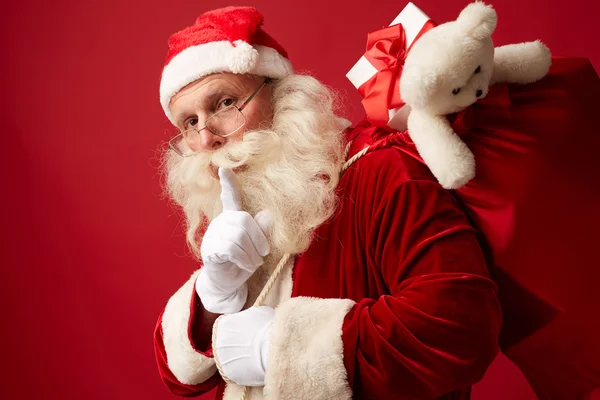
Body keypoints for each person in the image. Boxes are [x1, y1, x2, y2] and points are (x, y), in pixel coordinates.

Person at [153, 6, 502, 400]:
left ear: (280, 92)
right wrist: (213, 295)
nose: (207, 139)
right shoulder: (244, 201)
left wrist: (278, 348)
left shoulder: (380, 169)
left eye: (224, 103)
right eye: (190, 123)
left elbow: (462, 325)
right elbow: (178, 376)